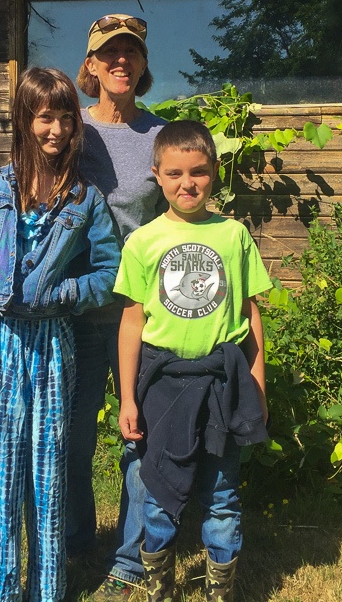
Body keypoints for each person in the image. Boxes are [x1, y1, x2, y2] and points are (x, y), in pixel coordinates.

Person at [0, 14, 166, 599]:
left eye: (131, 52)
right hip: (69, 321)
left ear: (143, 62)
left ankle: (131, 557)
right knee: (70, 444)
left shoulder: (161, 137)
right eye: (109, 54)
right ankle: (75, 543)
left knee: (139, 439)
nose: (120, 62)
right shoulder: (77, 126)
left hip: (139, 313)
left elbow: (187, 201)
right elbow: (26, 168)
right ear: (92, 65)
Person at [0, 67, 121, 602]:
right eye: (43, 117)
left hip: (53, 344)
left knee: (48, 469)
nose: (55, 129)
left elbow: (109, 272)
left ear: (76, 124)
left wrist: (62, 295)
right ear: (24, 120)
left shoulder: (84, 199)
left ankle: (47, 591)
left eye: (65, 117)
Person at [115, 120, 271, 602]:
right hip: (162, 384)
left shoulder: (233, 235)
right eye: (176, 173)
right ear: (157, 176)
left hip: (223, 380)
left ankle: (220, 590)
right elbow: (132, 323)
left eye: (199, 172)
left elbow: (250, 312)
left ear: (214, 172)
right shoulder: (143, 241)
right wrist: (127, 399)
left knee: (222, 495)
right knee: (159, 493)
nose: (189, 184)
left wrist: (258, 384)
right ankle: (159, 589)